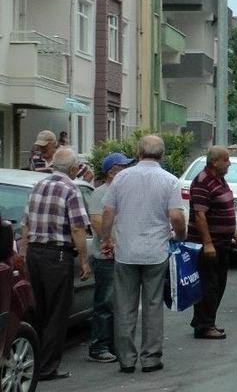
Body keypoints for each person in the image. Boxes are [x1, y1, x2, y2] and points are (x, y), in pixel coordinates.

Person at [101, 135, 187, 373]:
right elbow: (177, 217)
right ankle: (150, 358)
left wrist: (106, 238)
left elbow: (108, 211)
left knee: (124, 306)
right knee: (152, 305)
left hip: (126, 251)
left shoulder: (121, 179)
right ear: (162, 154)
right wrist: (180, 236)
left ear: (138, 152)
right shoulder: (169, 180)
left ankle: (126, 359)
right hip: (155, 252)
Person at [19, 147, 90, 381]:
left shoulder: (38, 186)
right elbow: (78, 228)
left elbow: (26, 224)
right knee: (57, 312)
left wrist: (24, 252)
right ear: (72, 168)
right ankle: (47, 368)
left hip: (35, 254)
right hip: (57, 255)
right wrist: (84, 260)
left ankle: (33, 362)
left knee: (39, 311)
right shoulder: (71, 189)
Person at [187, 146, 237, 339]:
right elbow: (200, 215)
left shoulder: (219, 180)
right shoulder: (203, 182)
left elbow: (221, 207)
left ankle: (204, 320)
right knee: (208, 285)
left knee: (218, 283)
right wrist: (208, 243)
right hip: (208, 245)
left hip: (222, 242)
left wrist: (233, 230)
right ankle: (205, 325)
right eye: (226, 160)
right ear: (214, 162)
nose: (229, 163)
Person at [87, 152, 134, 363]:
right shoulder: (100, 193)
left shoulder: (124, 192)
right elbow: (97, 221)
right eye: (124, 168)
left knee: (118, 304)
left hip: (123, 256)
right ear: (111, 173)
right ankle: (99, 346)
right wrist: (113, 241)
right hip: (106, 258)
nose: (128, 172)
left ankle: (113, 344)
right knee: (105, 303)